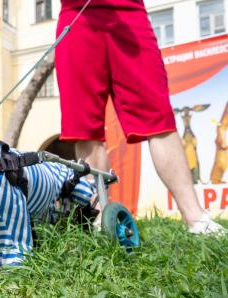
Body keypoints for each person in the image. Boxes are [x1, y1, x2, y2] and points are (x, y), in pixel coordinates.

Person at [55, 0, 226, 235]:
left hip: (129, 15)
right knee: (85, 127)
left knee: (159, 119)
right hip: (78, 17)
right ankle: (103, 221)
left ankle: (196, 217)